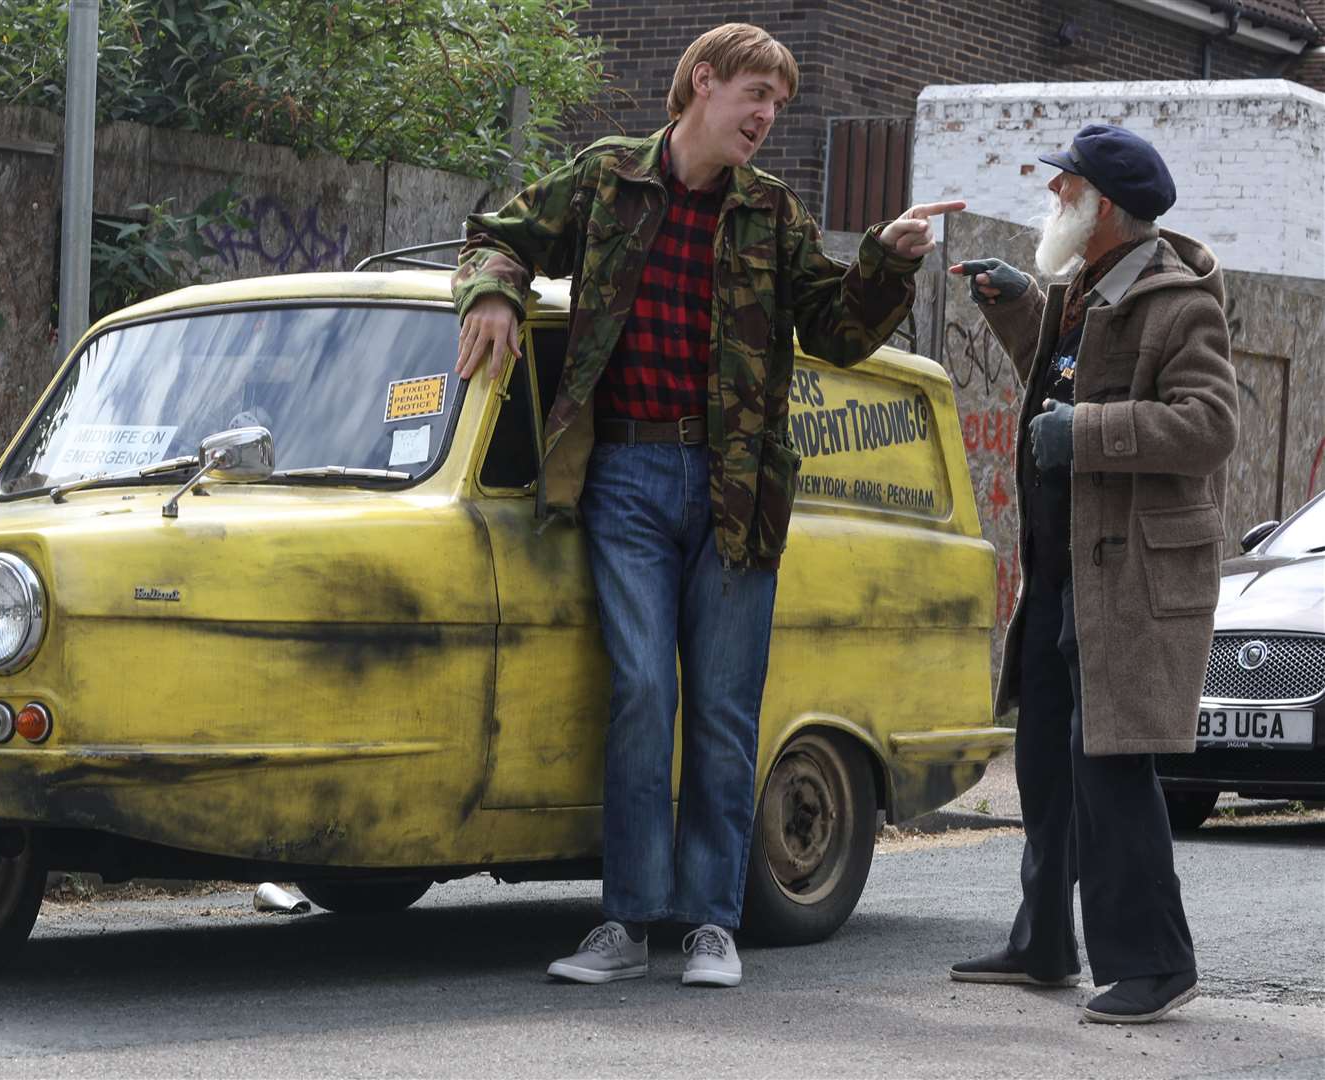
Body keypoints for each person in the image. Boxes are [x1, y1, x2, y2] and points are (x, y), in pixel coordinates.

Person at [452, 23, 961, 988]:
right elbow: (498, 237)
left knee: (724, 712)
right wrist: (492, 295)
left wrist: (889, 260)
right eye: (754, 95)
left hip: (739, 491)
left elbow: (839, 332)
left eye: (779, 103)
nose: (767, 116)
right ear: (699, 84)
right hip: (626, 480)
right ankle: (625, 923)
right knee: (643, 691)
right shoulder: (607, 180)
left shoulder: (772, 212)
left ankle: (712, 926)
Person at [947, 123, 1237, 1024]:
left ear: (1101, 207)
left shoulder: (1178, 304)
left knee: (1108, 767)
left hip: (1130, 575)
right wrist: (1013, 306)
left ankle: (1154, 963)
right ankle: (1043, 942)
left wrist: (1088, 434)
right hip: (1064, 567)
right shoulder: (1081, 293)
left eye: (1063, 189)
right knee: (1045, 759)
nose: (1053, 200)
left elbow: (1206, 426)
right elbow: (1072, 378)